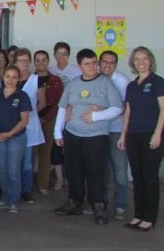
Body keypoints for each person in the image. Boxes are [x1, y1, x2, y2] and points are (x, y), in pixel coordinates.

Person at [53, 49, 123, 224]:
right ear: (79, 66)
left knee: (95, 172)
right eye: (87, 64)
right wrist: (57, 132)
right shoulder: (73, 84)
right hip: (72, 133)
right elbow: (63, 108)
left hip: (96, 135)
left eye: (94, 63)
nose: (92, 67)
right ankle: (74, 201)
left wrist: (96, 116)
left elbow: (117, 108)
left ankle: (98, 205)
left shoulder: (106, 83)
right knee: (73, 170)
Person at [118, 47, 164, 232]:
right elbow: (128, 111)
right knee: (137, 176)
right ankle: (138, 214)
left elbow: (163, 110)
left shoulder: (158, 82)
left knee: (150, 176)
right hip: (134, 135)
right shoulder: (132, 85)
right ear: (132, 63)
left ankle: (149, 218)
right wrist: (123, 134)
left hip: (151, 135)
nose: (140, 62)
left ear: (151, 61)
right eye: (136, 59)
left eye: (144, 58)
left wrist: (157, 134)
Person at [0, 65, 30, 213]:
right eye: (7, 76)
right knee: (3, 170)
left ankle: (14, 201)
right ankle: (5, 198)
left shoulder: (22, 96)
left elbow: (24, 120)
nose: (10, 80)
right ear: (3, 77)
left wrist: (9, 134)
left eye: (14, 77)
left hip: (16, 138)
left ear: (18, 79)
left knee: (13, 170)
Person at [99, 50, 130, 219]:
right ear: (99, 62)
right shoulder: (95, 78)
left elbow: (126, 108)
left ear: (115, 65)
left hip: (118, 131)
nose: (107, 65)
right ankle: (101, 203)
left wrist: (105, 112)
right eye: (104, 61)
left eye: (111, 63)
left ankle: (120, 204)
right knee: (102, 170)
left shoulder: (123, 81)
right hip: (99, 131)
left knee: (120, 171)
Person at [14, 48, 45, 203]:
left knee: (27, 160)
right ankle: (14, 188)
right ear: (15, 62)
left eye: (27, 60)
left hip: (30, 125)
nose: (25, 63)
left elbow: (42, 102)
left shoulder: (35, 79)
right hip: (11, 126)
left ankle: (26, 189)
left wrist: (29, 114)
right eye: (21, 60)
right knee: (13, 159)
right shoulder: (10, 79)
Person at [34, 50, 65, 194]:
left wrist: (45, 118)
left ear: (48, 61)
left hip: (50, 119)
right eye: (38, 60)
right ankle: (28, 185)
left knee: (45, 153)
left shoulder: (56, 80)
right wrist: (35, 118)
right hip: (32, 121)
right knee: (31, 154)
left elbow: (59, 103)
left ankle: (43, 185)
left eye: (43, 60)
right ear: (34, 62)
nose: (41, 63)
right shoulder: (29, 79)